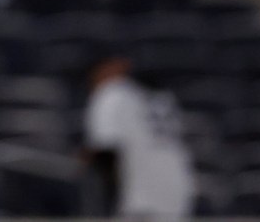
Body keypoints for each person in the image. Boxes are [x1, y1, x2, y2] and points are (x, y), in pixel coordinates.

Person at [83, 52, 196, 220]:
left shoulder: (111, 93)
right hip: (179, 194)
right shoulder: (159, 97)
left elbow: (105, 154)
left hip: (141, 200)